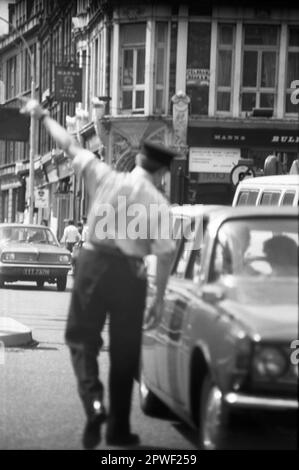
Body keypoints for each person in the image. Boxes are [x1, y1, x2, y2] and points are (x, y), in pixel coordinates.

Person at [20, 98, 176, 449]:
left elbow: (68, 142)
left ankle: (93, 402)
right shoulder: (158, 202)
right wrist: (159, 297)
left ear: (137, 161)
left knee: (81, 339)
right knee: (124, 351)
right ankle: (119, 429)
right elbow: (165, 255)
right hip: (130, 275)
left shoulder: (105, 174)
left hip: (92, 263)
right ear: (162, 172)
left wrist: (43, 115)